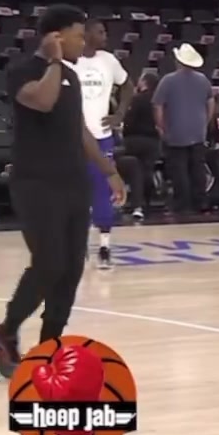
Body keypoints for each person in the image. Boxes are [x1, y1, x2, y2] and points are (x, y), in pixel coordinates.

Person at [0, 5, 127, 378]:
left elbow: (80, 131)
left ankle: (49, 346)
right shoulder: (22, 70)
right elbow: (42, 100)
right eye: (78, 36)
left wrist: (109, 171)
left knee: (71, 269)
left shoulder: (71, 76)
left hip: (74, 182)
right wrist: (53, 61)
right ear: (55, 36)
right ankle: (6, 332)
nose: (83, 43)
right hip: (36, 182)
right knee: (49, 263)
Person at [75, 19, 131, 270]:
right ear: (86, 34)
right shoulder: (70, 61)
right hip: (73, 137)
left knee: (103, 189)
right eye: (100, 31)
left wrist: (119, 113)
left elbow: (127, 85)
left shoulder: (109, 60)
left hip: (101, 135)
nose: (105, 35)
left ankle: (105, 247)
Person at [153, 42, 215, 214]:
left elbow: (158, 106)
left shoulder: (167, 81)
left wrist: (161, 127)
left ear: (178, 61)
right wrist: (205, 122)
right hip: (198, 131)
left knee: (179, 169)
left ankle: (182, 204)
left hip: (176, 131)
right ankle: (200, 202)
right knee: (197, 168)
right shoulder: (203, 80)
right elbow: (211, 103)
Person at [121, 71, 161, 221]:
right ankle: (147, 201)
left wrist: (124, 132)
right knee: (147, 170)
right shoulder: (159, 99)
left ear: (144, 83)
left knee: (134, 168)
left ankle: (134, 201)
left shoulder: (137, 99)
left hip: (135, 139)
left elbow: (129, 121)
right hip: (153, 141)